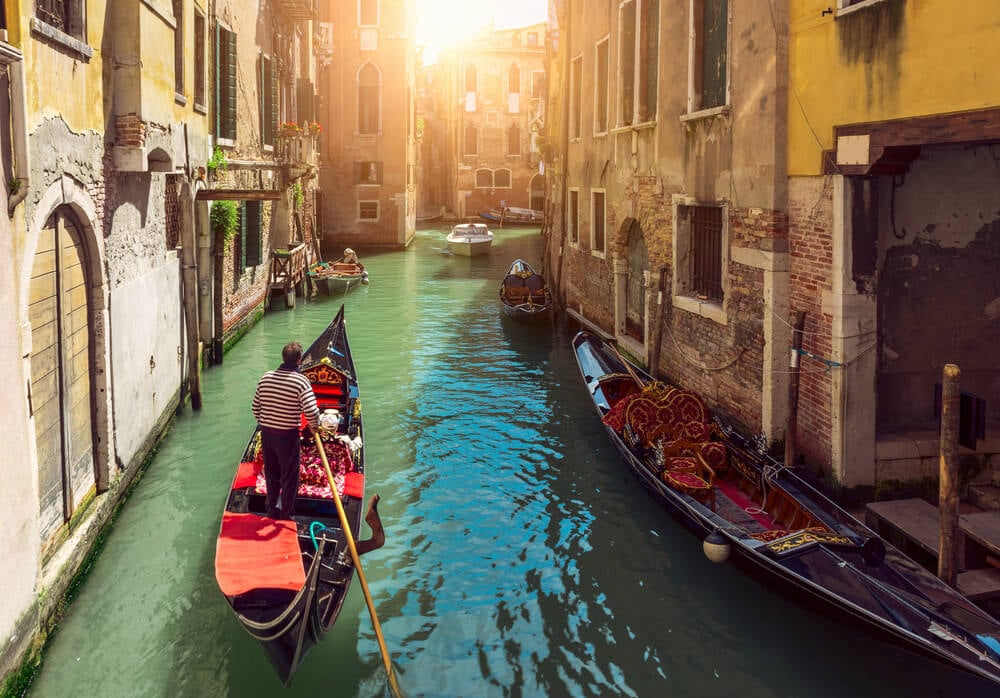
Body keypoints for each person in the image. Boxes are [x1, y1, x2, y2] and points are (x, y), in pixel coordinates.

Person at [251, 341, 320, 520]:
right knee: (289, 476)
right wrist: (315, 427)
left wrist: (268, 423)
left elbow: (255, 408)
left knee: (272, 473)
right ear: (299, 360)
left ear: (283, 358)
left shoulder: (266, 377)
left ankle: (271, 509)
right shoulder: (301, 381)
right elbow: (312, 411)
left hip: (266, 433)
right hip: (287, 436)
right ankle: (286, 514)